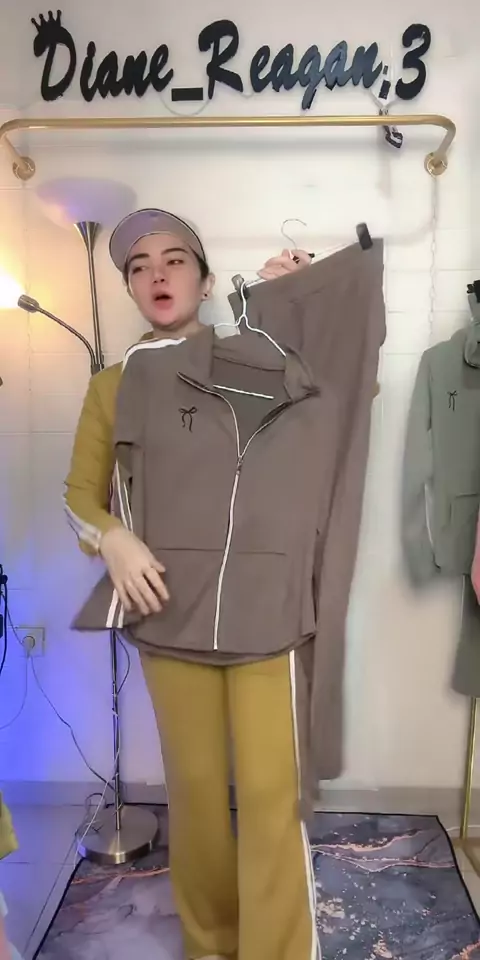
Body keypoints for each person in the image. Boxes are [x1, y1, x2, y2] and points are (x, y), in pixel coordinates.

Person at [64, 209, 316, 960]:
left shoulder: (257, 356)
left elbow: (338, 402)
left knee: (271, 795)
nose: (157, 275)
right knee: (197, 796)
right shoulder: (111, 386)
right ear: (130, 289)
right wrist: (112, 537)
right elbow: (78, 497)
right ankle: (211, 944)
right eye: (139, 266)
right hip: (168, 613)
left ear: (205, 283)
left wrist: (297, 309)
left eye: (175, 260)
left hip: (264, 610)